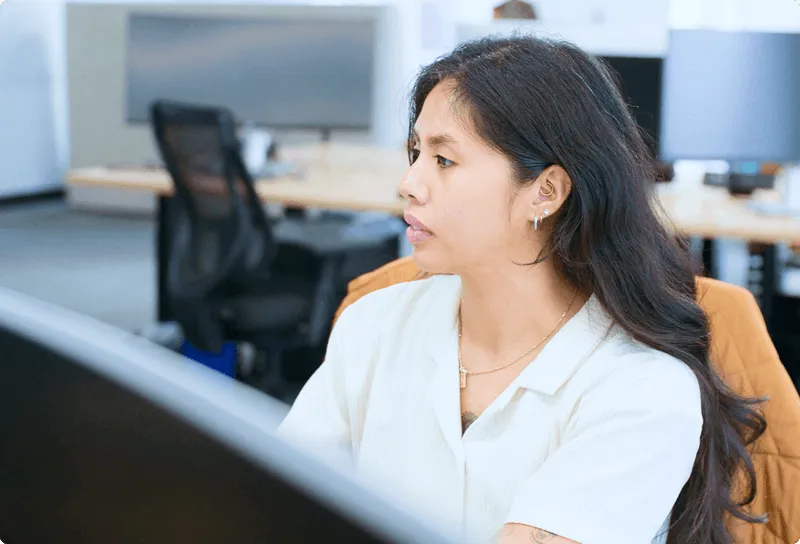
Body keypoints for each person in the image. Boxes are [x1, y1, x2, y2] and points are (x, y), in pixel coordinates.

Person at [278, 36, 765, 544]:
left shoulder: (642, 389)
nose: (409, 182)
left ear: (545, 192)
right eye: (416, 151)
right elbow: (279, 504)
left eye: (444, 160)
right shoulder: (374, 323)